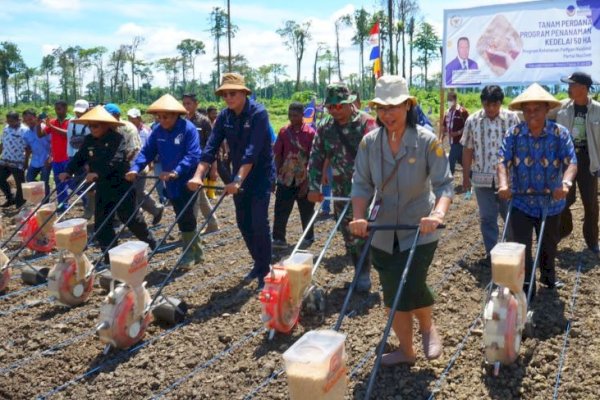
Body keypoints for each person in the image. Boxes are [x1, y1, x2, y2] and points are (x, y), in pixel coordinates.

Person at [350, 75, 452, 365]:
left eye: (394, 106)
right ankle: (406, 351)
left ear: (408, 106)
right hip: (382, 229)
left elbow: (444, 184)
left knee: (411, 281)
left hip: (420, 227)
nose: (387, 114)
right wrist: (359, 218)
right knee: (393, 291)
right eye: (382, 108)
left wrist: (438, 214)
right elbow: (361, 185)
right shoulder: (369, 144)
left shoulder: (427, 142)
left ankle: (428, 327)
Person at [188, 72, 275, 289]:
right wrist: (198, 175)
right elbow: (210, 147)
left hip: (261, 175)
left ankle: (266, 269)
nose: (228, 98)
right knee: (243, 222)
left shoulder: (258, 113)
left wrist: (237, 180)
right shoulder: (225, 117)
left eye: (232, 93)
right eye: (225, 94)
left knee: (259, 222)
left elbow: (252, 152)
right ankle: (258, 262)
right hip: (240, 176)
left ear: (244, 93)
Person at [497, 83, 577, 298]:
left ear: (546, 110)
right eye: (527, 110)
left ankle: (548, 278)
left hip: (551, 202)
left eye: (537, 109)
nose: (532, 114)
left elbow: (571, 163)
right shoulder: (513, 133)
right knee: (521, 248)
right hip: (521, 201)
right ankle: (525, 288)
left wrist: (566, 184)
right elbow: (502, 161)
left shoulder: (559, 133)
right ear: (522, 112)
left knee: (548, 247)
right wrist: (504, 184)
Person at [306, 83, 378, 293]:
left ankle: (368, 271)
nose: (335, 111)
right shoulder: (326, 129)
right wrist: (313, 186)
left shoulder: (366, 123)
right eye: (331, 107)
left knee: (366, 231)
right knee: (348, 233)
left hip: (368, 190)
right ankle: (360, 270)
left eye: (339, 106)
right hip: (341, 191)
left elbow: (378, 154)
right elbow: (316, 158)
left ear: (349, 103)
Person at [59, 106, 157, 256]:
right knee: (102, 223)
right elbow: (80, 157)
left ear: (105, 125)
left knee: (130, 218)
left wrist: (96, 173)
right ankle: (109, 255)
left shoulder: (116, 139)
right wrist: (68, 171)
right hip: (103, 186)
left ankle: (151, 242)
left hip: (121, 185)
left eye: (96, 125)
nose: (92, 128)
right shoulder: (89, 139)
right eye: (90, 126)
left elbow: (116, 161)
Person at [128, 94, 202, 268]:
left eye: (165, 116)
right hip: (170, 179)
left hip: (188, 178)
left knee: (186, 215)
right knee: (180, 213)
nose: (162, 120)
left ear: (176, 114)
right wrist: (135, 168)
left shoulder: (187, 129)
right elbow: (147, 152)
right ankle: (197, 251)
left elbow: (193, 155)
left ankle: (189, 253)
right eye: (158, 117)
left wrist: (177, 171)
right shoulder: (158, 131)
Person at [461, 85, 521, 259]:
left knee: (510, 217)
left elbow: (520, 148)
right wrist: (466, 176)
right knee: (487, 218)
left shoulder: (512, 119)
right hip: (482, 178)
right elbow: (467, 150)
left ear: (500, 103)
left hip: (508, 181)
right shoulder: (473, 121)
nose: (491, 109)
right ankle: (492, 254)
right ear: (482, 103)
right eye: (487, 105)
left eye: (494, 105)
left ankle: (513, 252)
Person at [557, 72, 600, 254]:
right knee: (564, 198)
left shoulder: (597, 109)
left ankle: (592, 241)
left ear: (583, 88)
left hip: (589, 159)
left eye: (572, 85)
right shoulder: (562, 109)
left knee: (590, 203)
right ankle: (565, 229)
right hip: (568, 160)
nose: (569, 88)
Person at [272, 102, 316, 249]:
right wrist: (276, 175)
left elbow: (313, 158)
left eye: (295, 115)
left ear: (302, 115)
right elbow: (278, 154)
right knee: (281, 209)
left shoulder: (310, 134)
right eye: (290, 115)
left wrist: (308, 181)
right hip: (286, 177)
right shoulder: (284, 132)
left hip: (304, 177)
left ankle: (308, 237)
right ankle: (279, 239)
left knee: (306, 210)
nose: (292, 118)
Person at [182, 93, 220, 233]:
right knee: (199, 194)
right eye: (184, 104)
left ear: (196, 104)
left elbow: (212, 145)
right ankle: (213, 223)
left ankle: (191, 230)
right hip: (187, 163)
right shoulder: (183, 121)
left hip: (201, 164)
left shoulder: (203, 121)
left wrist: (213, 167)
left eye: (189, 104)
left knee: (194, 196)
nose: (186, 106)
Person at [126, 108, 165, 226]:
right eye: (129, 118)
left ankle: (141, 218)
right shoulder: (127, 130)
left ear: (139, 118)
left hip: (142, 166)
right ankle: (155, 209)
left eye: (133, 118)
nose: (131, 120)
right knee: (137, 192)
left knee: (136, 193)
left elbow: (150, 148)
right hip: (132, 166)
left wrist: (150, 162)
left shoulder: (146, 130)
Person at [37, 100, 70, 211]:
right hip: (56, 158)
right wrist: (38, 124)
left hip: (67, 157)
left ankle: (87, 202)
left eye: (59, 109)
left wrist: (51, 126)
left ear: (66, 109)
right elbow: (40, 135)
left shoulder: (71, 121)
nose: (57, 111)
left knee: (72, 183)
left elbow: (67, 134)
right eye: (56, 109)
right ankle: (63, 205)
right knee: (59, 183)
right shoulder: (53, 122)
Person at [66, 99, 94, 218]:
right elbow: (69, 139)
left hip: (87, 159)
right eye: (77, 112)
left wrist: (89, 161)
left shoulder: (92, 123)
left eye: (81, 112)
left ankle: (90, 208)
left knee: (89, 184)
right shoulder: (71, 122)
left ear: (87, 110)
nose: (79, 114)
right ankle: (87, 204)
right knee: (79, 183)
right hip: (74, 156)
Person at [0, 111, 28, 208]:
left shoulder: (24, 130)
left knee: (20, 184)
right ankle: (10, 198)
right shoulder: (6, 128)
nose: (9, 123)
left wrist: (26, 161)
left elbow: (28, 148)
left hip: (18, 161)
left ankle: (20, 204)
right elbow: (2, 143)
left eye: (12, 121)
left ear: (18, 120)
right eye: (8, 121)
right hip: (5, 160)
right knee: (0, 178)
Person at [22, 109, 51, 199]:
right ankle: (41, 195)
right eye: (26, 120)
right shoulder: (26, 133)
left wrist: (50, 157)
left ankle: (45, 203)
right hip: (35, 160)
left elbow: (53, 143)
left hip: (46, 159)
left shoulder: (44, 128)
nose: (28, 122)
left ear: (35, 118)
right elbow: (28, 149)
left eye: (30, 119)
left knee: (44, 181)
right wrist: (26, 161)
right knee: (29, 178)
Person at [443, 92, 469, 177]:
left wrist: (457, 133)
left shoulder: (462, 112)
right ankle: (471, 175)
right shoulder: (447, 112)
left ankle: (448, 180)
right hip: (451, 141)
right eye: (448, 99)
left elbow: (468, 126)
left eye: (451, 99)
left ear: (455, 100)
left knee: (451, 159)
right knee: (461, 161)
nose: (449, 101)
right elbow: (444, 127)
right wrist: (441, 139)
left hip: (459, 142)